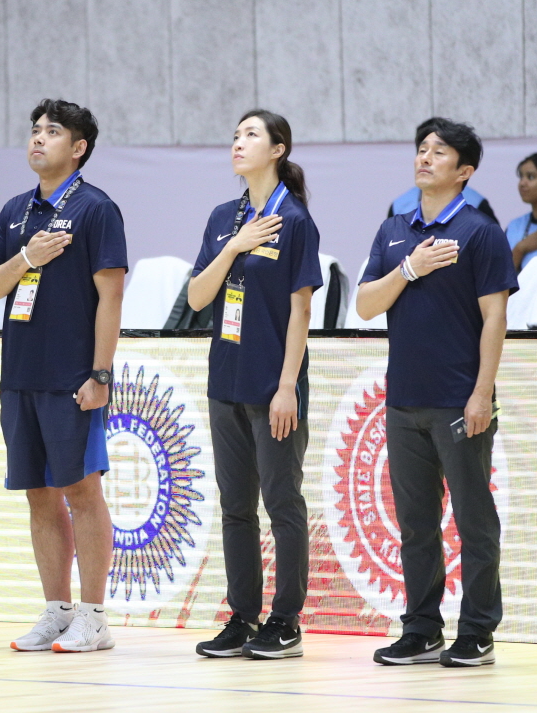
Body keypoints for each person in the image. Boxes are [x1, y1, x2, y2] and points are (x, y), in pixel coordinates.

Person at [356, 117, 516, 668]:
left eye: (439, 152)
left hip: (459, 399)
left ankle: (477, 630)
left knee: (474, 519)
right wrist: (410, 266)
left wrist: (482, 393)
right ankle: (422, 628)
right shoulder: (394, 230)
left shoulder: (480, 232)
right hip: (403, 399)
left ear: (465, 170)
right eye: (421, 149)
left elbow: (495, 316)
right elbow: (366, 304)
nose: (425, 158)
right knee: (416, 523)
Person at [0, 99, 126, 654]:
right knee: (39, 495)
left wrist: (100, 373)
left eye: (53, 131)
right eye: (35, 130)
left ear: (78, 147)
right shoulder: (15, 211)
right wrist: (27, 259)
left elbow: (111, 298)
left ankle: (94, 615)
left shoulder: (96, 209)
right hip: (19, 375)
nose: (38, 139)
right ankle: (57, 610)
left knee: (82, 491)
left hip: (72, 378)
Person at [187, 110, 321, 661]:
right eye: (236, 133)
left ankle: (285, 619)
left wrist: (287, 384)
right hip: (226, 381)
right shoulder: (224, 218)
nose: (238, 142)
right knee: (234, 505)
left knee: (281, 500)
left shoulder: (296, 223)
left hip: (273, 385)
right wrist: (234, 246)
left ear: (278, 150)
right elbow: (197, 298)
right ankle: (242, 616)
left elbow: (301, 310)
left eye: (251, 134)